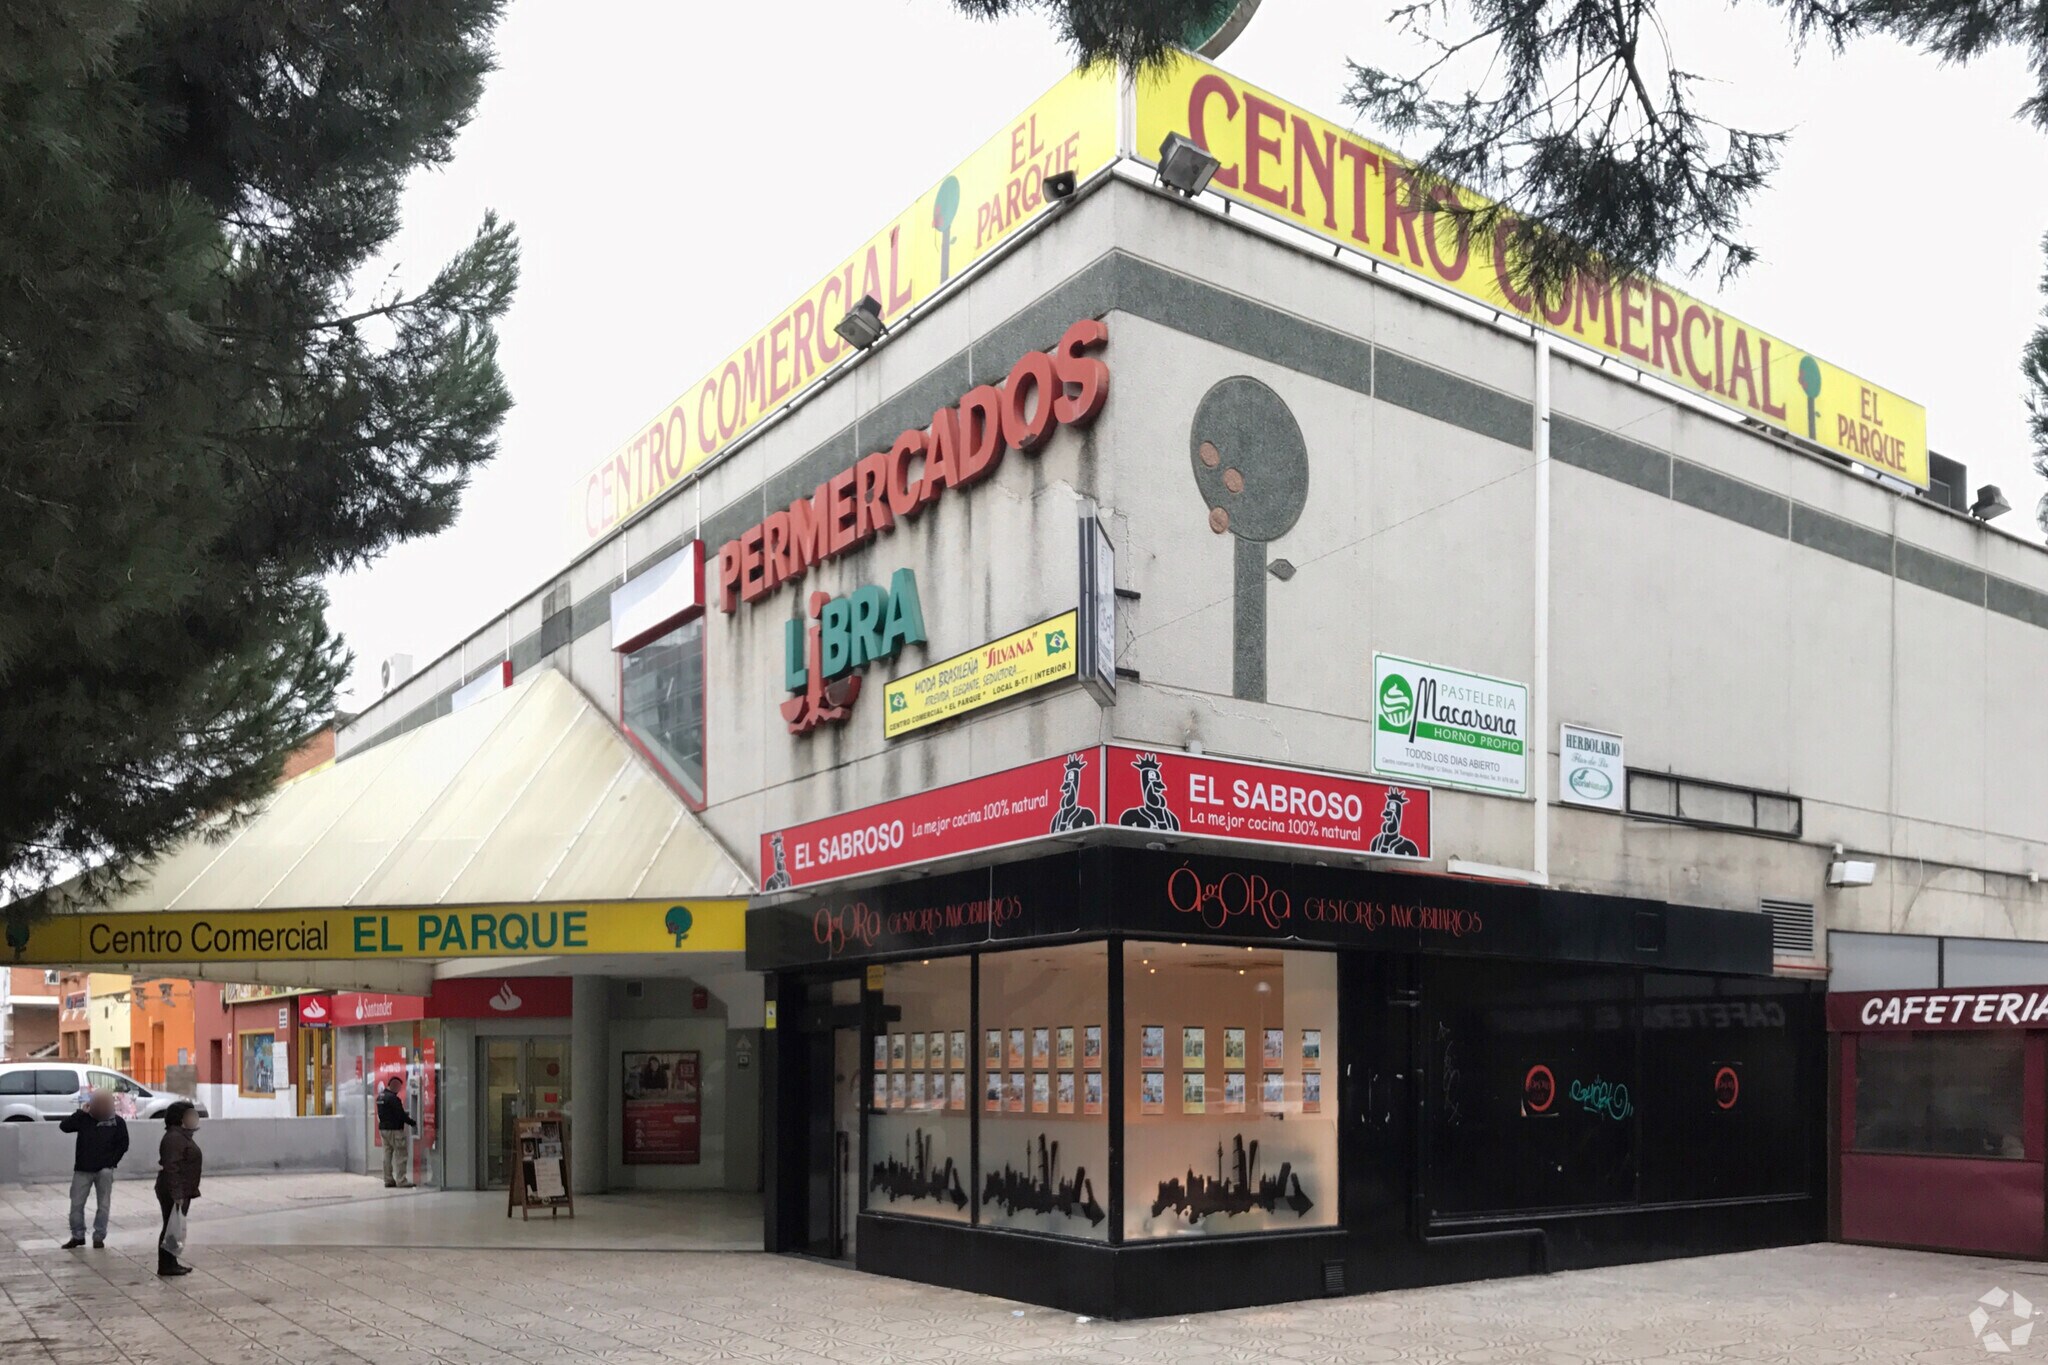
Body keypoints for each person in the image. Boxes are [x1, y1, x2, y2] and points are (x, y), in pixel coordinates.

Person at [58, 1090, 128, 1249]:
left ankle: (99, 1236)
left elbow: (123, 1144)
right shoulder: (84, 1119)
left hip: (104, 1170)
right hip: (83, 1169)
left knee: (103, 1205)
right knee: (76, 1204)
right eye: (99, 1104)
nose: (102, 1108)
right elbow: (64, 1126)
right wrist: (80, 1112)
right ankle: (78, 1235)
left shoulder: (117, 1122)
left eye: (106, 1104)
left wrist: (111, 1162)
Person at [154, 1101, 201, 1277]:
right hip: (174, 1191)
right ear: (180, 1118)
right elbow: (171, 1167)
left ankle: (171, 1262)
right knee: (171, 1227)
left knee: (174, 1227)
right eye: (191, 1115)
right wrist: (177, 1194)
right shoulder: (174, 1138)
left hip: (182, 1189)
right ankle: (166, 1264)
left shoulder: (182, 1136)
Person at [376, 1076, 417, 1188]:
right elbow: (401, 1115)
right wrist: (412, 1122)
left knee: (387, 1155)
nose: (399, 1089)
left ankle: (388, 1179)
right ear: (393, 1085)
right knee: (401, 1154)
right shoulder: (394, 1099)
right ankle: (401, 1180)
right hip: (395, 1130)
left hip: (383, 1129)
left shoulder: (380, 1096)